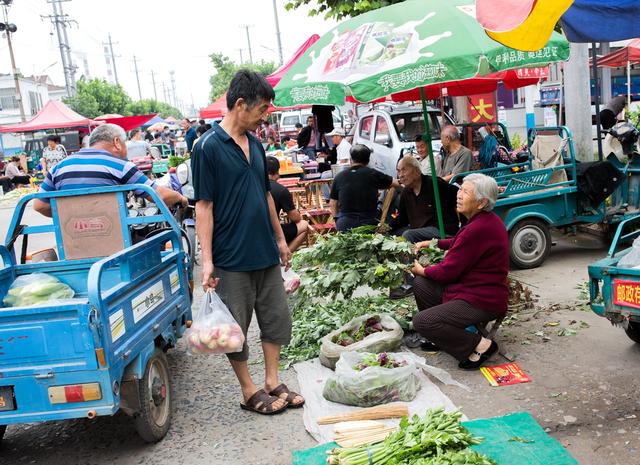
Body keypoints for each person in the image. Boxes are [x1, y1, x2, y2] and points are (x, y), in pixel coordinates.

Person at [192, 69, 304, 415]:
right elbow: (204, 206)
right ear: (240, 104)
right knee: (234, 329)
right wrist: (207, 259)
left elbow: (266, 195)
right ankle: (248, 390)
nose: (263, 117)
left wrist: (280, 240)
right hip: (231, 255)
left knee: (276, 319)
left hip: (265, 252)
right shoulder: (207, 147)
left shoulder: (256, 144)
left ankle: (272, 380)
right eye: (261, 110)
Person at [410, 173, 507, 370]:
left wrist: (421, 270)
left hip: (482, 299)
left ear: (481, 202)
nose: (459, 195)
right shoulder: (483, 221)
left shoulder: (477, 228)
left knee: (422, 321)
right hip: (471, 290)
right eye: (460, 189)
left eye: (466, 192)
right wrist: (433, 243)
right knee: (421, 286)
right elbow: (459, 242)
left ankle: (482, 345)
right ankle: (443, 338)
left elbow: (447, 272)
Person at [33, 124, 187, 217]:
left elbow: (39, 205)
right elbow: (158, 195)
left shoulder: (59, 167)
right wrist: (180, 198)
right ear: (117, 142)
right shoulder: (120, 165)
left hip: (71, 246)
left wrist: (73, 219)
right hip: (117, 242)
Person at [329, 144, 400, 232]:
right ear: (368, 161)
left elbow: (333, 203)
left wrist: (336, 220)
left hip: (344, 224)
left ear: (351, 160)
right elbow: (396, 183)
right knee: (384, 197)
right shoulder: (373, 174)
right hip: (368, 224)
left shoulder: (339, 176)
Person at [391, 156, 459, 242]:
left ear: (417, 171)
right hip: (420, 232)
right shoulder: (406, 192)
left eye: (404, 170)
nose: (401, 175)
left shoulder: (435, 184)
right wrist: (386, 228)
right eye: (398, 171)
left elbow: (459, 197)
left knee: (408, 234)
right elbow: (402, 218)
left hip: (442, 231)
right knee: (393, 235)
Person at [266, 156, 309, 253]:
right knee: (304, 224)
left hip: (250, 231)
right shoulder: (280, 190)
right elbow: (296, 218)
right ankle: (286, 254)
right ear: (277, 172)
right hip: (271, 232)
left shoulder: (253, 186)